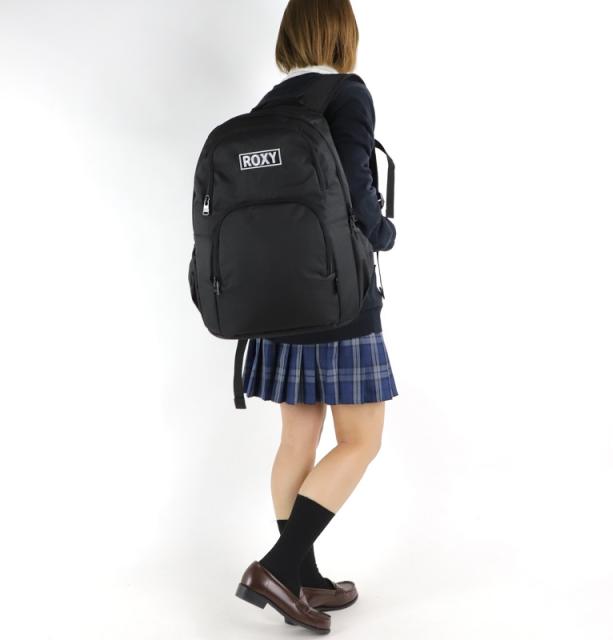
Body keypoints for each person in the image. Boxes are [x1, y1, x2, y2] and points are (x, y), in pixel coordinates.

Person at [235, 0, 398, 633]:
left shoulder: (268, 108)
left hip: (276, 304)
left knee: (296, 440)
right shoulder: (346, 94)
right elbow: (358, 191)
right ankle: (278, 568)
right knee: (362, 439)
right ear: (341, 32)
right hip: (338, 302)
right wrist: (383, 231)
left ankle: (302, 581)